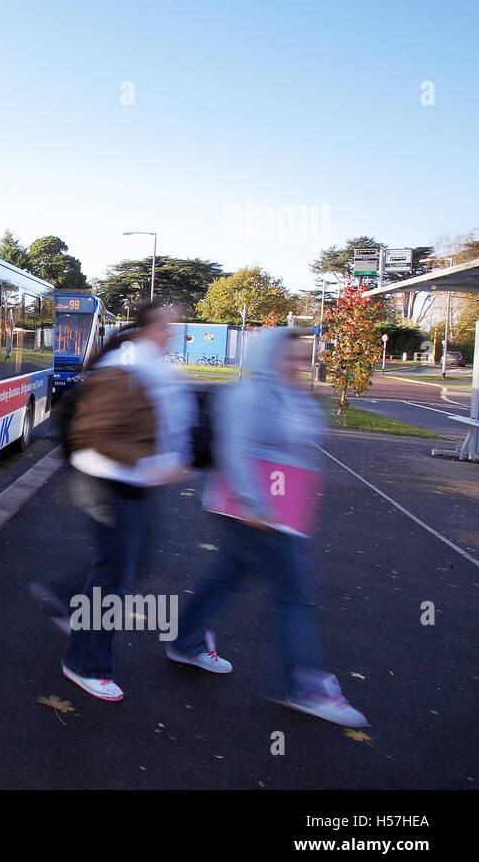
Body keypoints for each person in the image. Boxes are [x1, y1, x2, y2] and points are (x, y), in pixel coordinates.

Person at [166, 327, 368, 727]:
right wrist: (254, 505)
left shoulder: (287, 393)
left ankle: (186, 640)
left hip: (280, 510)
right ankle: (307, 685)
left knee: (228, 574)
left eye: (302, 357)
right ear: (268, 356)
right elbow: (235, 449)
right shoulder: (250, 394)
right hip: (255, 509)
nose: (298, 363)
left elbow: (302, 438)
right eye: (289, 356)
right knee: (294, 595)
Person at [59, 302, 195, 701]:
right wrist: (156, 465)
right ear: (150, 326)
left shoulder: (146, 362)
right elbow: (97, 433)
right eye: (167, 325)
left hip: (130, 485)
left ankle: (73, 619)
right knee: (112, 579)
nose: (172, 332)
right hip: (109, 484)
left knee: (118, 572)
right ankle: (85, 663)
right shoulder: (125, 365)